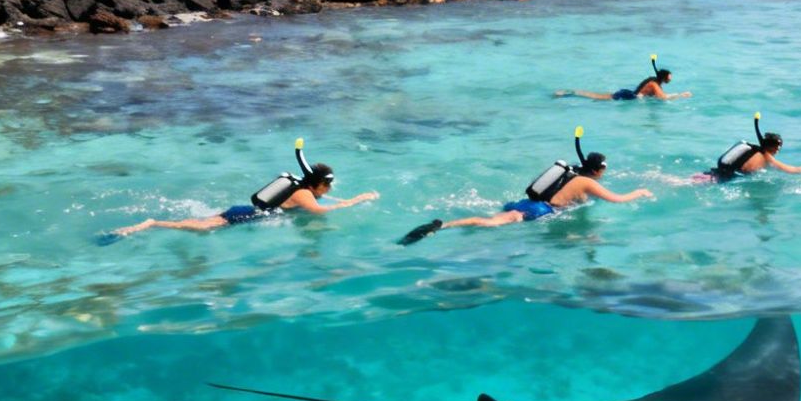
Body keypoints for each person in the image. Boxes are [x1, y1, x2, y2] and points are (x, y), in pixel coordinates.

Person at [401, 131, 651, 242]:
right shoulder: (588, 182)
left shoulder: (573, 173)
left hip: (527, 203)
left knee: (498, 217)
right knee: (493, 223)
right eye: (604, 170)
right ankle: (442, 227)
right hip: (540, 212)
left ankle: (442, 225)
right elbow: (617, 199)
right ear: (599, 170)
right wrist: (639, 191)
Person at [107, 162, 376, 237]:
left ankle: (155, 223)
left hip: (245, 212)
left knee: (200, 226)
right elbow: (320, 213)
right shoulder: (305, 194)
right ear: (317, 184)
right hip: (244, 215)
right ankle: (151, 223)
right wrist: (357, 200)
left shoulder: (302, 189)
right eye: (327, 187)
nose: (329, 191)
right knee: (196, 226)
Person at [710, 114, 801, 178]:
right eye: (777, 147)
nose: (778, 149)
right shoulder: (767, 158)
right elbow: (793, 170)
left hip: (717, 172)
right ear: (772, 147)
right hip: (729, 178)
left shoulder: (753, 149)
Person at [556, 54, 692, 101]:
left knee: (598, 97)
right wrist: (681, 95)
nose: (671, 79)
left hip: (628, 94)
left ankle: (570, 93)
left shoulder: (654, 81)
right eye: (670, 77)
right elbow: (663, 98)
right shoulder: (654, 85)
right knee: (597, 97)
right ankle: (569, 93)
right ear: (664, 77)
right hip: (628, 97)